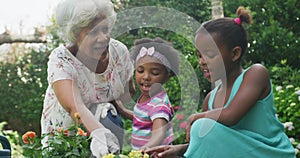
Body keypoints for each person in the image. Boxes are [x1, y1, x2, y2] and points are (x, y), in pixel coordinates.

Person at [145, 6, 296, 158]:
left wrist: (195, 117)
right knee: (202, 130)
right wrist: (178, 149)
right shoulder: (210, 99)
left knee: (200, 126)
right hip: (242, 153)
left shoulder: (256, 74)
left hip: (270, 153)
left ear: (235, 53)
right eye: (199, 55)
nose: (202, 62)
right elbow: (216, 141)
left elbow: (231, 115)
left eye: (210, 54)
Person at [40, 0, 135, 157]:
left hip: (105, 124)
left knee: (108, 116)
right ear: (75, 35)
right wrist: (98, 132)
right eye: (92, 32)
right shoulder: (61, 59)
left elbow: (127, 92)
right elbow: (74, 106)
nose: (103, 38)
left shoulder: (119, 51)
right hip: (64, 139)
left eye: (105, 29)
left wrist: (123, 109)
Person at [122, 37, 180, 150]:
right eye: (140, 71)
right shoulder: (147, 97)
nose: (146, 77)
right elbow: (142, 118)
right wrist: (121, 110)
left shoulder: (159, 104)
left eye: (154, 73)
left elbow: (159, 133)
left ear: (166, 77)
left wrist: (146, 148)